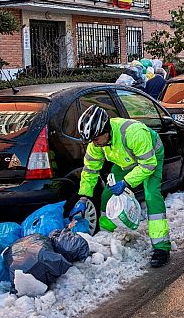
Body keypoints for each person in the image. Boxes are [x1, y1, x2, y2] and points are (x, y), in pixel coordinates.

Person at [69, 105, 171, 267]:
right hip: (125, 160)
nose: (94, 144)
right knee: (107, 195)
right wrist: (83, 198)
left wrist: (126, 183)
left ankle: (161, 247)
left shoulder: (134, 133)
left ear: (106, 130)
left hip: (150, 157)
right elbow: (90, 170)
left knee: (152, 195)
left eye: (95, 140)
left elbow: (148, 165)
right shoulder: (96, 143)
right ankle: (105, 234)